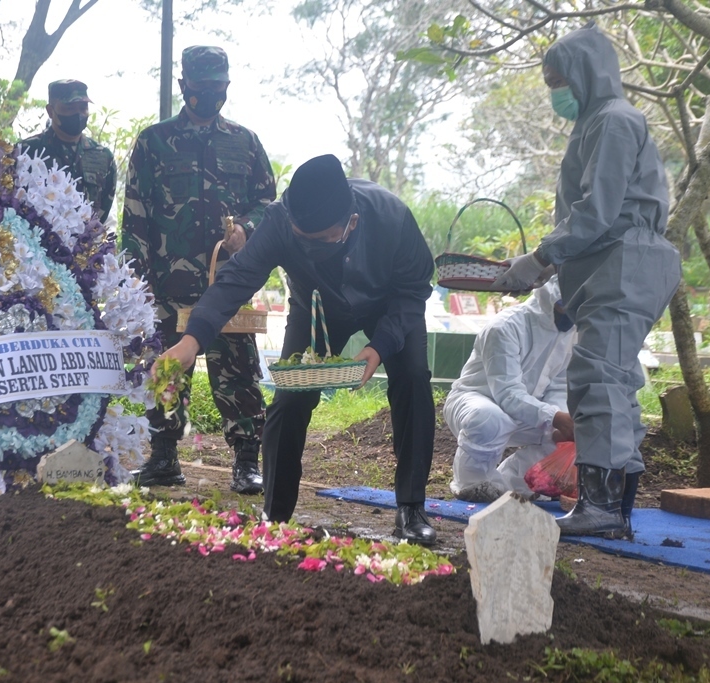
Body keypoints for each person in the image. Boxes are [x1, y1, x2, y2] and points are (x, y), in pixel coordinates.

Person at [156, 153, 439, 546]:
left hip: (389, 305)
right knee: (290, 399)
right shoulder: (279, 220)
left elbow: (413, 292)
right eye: (301, 238)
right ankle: (276, 513)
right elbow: (235, 280)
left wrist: (377, 350)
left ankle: (411, 507)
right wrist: (192, 340)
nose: (308, 248)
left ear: (350, 224)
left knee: (412, 379)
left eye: (320, 241)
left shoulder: (391, 217)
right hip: (316, 305)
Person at [493, 25, 681, 539]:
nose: (556, 93)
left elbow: (596, 213)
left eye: (560, 81)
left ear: (586, 75)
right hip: (613, 266)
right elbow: (595, 225)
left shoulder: (615, 121)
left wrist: (539, 258)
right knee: (612, 378)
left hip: (628, 260)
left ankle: (602, 507)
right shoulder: (595, 124)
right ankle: (615, 507)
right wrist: (560, 293)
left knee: (597, 376)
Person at [122, 46, 276, 495]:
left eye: (218, 87)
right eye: (202, 87)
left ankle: (247, 461)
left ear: (226, 86)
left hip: (226, 284)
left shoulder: (245, 143)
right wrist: (136, 283)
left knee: (239, 374)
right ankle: (165, 458)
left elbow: (268, 205)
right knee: (166, 372)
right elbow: (135, 217)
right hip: (167, 285)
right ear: (183, 85)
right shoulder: (153, 142)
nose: (211, 94)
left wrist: (246, 229)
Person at [445, 277, 575, 503]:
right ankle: (471, 485)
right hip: (476, 402)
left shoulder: (572, 334)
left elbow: (559, 386)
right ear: (548, 298)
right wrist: (554, 417)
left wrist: (564, 421)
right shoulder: (505, 326)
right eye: (565, 304)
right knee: (490, 419)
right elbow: (508, 394)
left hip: (528, 410)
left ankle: (512, 485)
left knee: (569, 437)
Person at [19, 79, 116, 224]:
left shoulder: (102, 157)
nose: (78, 114)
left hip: (85, 243)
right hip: (36, 242)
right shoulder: (26, 152)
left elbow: (102, 213)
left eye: (83, 108)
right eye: (69, 108)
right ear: (51, 111)